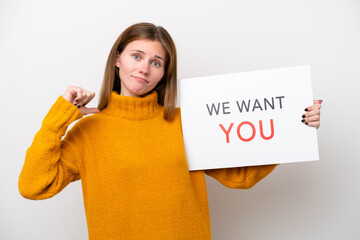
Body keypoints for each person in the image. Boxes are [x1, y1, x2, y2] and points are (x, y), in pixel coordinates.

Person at [18, 22, 322, 239]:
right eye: (136, 56)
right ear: (117, 60)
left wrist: (293, 127)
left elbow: (239, 177)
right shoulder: (88, 131)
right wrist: (60, 117)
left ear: (164, 75)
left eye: (156, 62)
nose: (143, 69)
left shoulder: (187, 122)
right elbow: (33, 186)